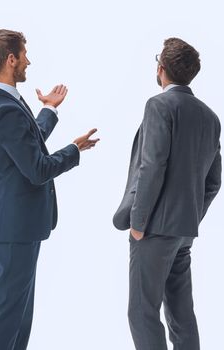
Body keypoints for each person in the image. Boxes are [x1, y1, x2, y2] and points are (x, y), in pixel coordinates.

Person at [0, 29, 99, 350]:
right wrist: (73, 151)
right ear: (10, 59)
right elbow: (37, 169)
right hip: (15, 227)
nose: (28, 62)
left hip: (18, 225)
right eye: (24, 55)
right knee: (9, 316)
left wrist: (49, 110)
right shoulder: (4, 108)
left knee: (20, 315)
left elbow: (25, 145)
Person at [113, 37, 222, 350]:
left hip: (153, 228)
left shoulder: (159, 105)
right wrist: (189, 214)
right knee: (180, 311)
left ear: (161, 68)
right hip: (184, 230)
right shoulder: (210, 117)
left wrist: (138, 222)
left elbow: (152, 166)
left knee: (141, 311)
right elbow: (214, 181)